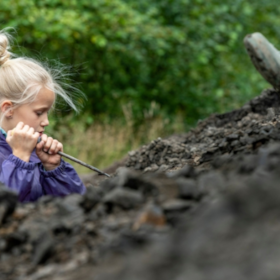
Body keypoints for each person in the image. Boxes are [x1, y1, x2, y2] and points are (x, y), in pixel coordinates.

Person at [0, 29, 86, 202]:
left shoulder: (33, 152)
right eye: (39, 113)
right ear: (8, 109)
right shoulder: (22, 153)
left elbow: (76, 205)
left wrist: (54, 168)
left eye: (47, 113)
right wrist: (19, 160)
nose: (46, 122)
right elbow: (5, 207)